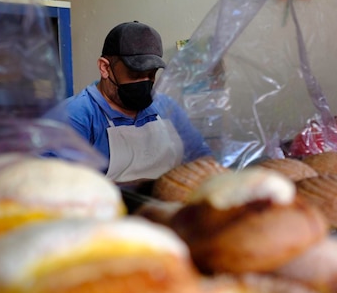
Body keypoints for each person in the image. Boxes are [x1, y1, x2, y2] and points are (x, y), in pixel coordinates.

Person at [45, 21, 213, 184]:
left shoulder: (165, 107)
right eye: (135, 74)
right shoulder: (74, 116)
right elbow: (52, 185)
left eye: (152, 74)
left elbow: (201, 156)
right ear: (105, 68)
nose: (145, 81)